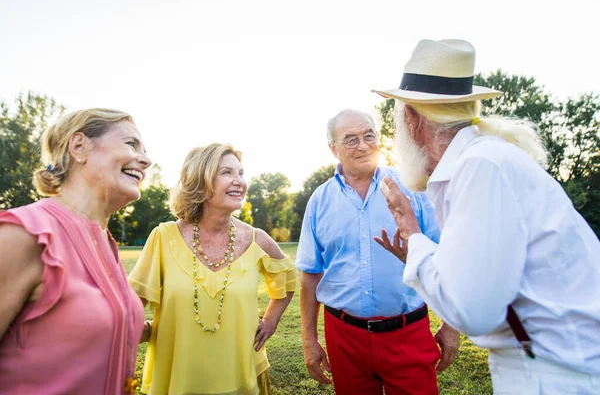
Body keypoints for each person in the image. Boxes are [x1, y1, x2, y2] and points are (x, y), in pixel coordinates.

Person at [372, 39, 600, 394]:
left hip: (559, 373)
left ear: (413, 119)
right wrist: (419, 251)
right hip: (550, 364)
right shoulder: (479, 162)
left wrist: (413, 234)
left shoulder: (481, 167)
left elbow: (473, 312)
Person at [296, 109, 460, 395]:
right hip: (344, 336)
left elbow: (447, 258)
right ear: (333, 149)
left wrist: (451, 326)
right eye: (350, 139)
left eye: (368, 135)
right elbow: (311, 275)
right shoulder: (320, 201)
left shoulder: (411, 189)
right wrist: (309, 339)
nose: (362, 145)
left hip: (408, 332)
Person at [0, 108, 152, 394]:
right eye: (131, 144)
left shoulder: (105, 242)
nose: (147, 160)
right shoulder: (24, 235)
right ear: (79, 146)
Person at [128, 143, 296, 395]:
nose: (239, 181)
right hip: (177, 378)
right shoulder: (164, 237)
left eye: (241, 173)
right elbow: (133, 302)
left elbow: (289, 279)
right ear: (200, 181)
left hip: (239, 373)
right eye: (227, 172)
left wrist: (270, 321)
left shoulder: (256, 239)